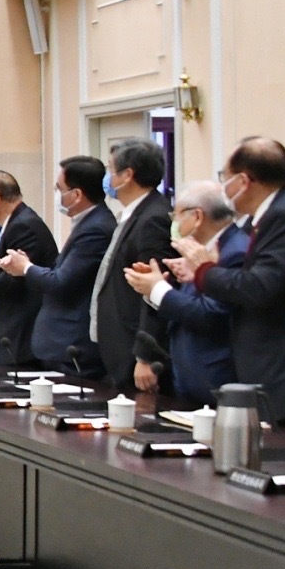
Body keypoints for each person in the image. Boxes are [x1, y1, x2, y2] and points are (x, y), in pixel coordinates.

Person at [168, 137, 285, 423]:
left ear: (243, 181)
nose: (223, 186)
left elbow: (260, 287)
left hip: (278, 365)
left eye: (224, 177)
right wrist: (201, 271)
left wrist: (205, 269)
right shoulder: (266, 217)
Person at [127, 181, 246, 406]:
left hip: (215, 380)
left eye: (177, 215)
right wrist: (158, 288)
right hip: (191, 378)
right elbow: (190, 303)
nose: (174, 222)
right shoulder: (201, 251)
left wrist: (158, 290)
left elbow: (210, 314)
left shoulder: (234, 252)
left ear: (197, 216)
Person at [0, 155, 114, 375]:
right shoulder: (87, 223)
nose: (57, 195)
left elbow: (61, 282)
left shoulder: (96, 228)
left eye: (59, 189)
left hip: (72, 344)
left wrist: (26, 268)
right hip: (58, 343)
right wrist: (25, 266)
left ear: (77, 195)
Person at [86, 138, 172, 388]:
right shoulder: (135, 213)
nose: (108, 177)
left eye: (111, 170)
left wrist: (146, 355)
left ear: (127, 175)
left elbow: (155, 290)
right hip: (118, 344)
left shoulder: (152, 219)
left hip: (133, 346)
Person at [0, 172, 58, 369]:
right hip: (13, 332)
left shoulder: (23, 226)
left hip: (22, 333)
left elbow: (13, 281)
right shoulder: (17, 222)